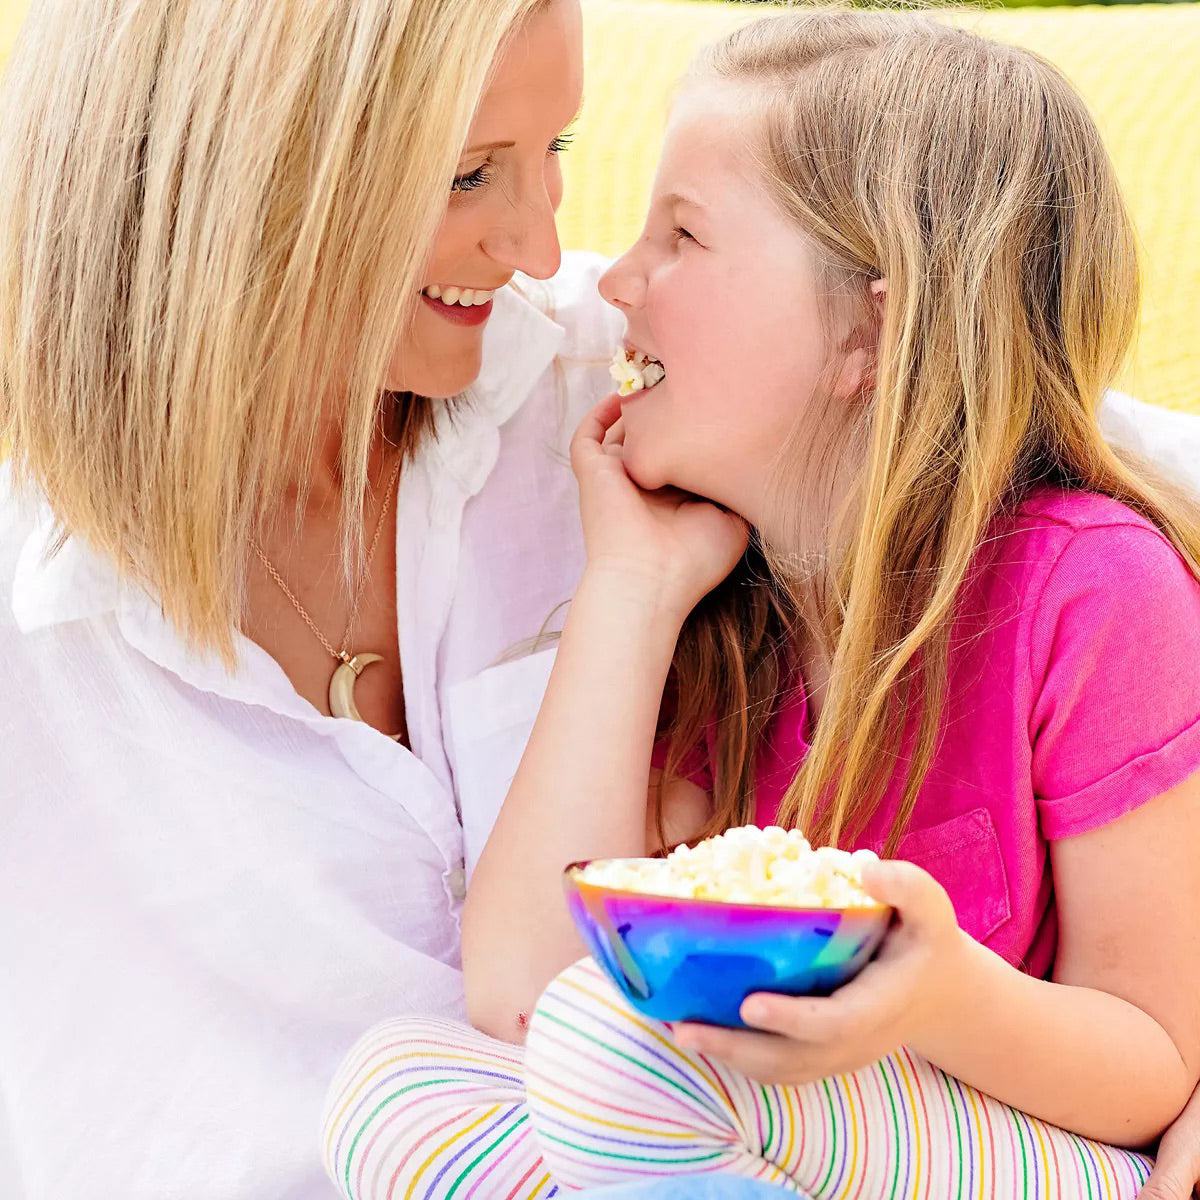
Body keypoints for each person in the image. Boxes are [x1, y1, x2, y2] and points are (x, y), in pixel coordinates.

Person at [323, 11, 1200, 1199]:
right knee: (395, 1090)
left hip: (1049, 1150)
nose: (616, 281)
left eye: (680, 234)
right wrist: (630, 591)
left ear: (869, 330)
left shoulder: (1094, 593)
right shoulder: (734, 623)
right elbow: (524, 992)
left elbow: (1156, 1061)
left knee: (610, 1053)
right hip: (774, 1134)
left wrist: (932, 991)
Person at [0, 1, 628, 1196]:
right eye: (466, 176)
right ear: (233, 177)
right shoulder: (31, 627)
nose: (540, 248)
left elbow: (1054, 459)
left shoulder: (606, 378)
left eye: (557, 151)